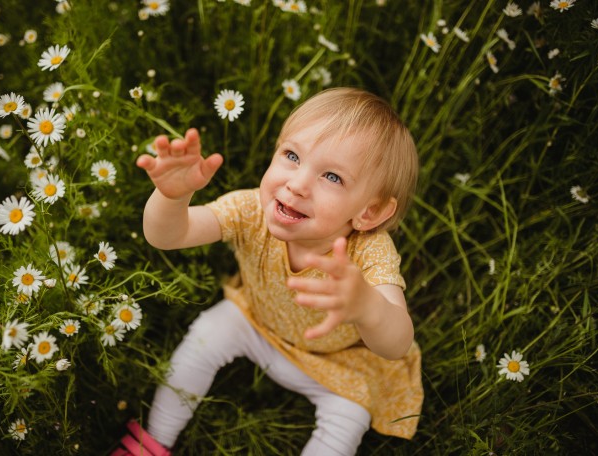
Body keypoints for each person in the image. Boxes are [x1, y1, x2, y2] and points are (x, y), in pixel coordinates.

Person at [113, 87, 423, 456]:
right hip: (255, 321)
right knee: (206, 335)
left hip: (338, 363)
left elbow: (397, 342)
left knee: (350, 416)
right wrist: (172, 197)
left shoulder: (369, 251)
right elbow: (168, 235)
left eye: (333, 177)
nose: (297, 184)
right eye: (292, 155)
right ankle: (153, 440)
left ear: (368, 213)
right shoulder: (250, 210)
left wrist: (368, 307)